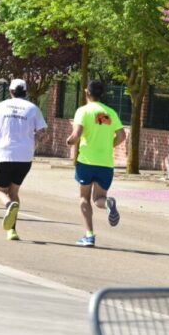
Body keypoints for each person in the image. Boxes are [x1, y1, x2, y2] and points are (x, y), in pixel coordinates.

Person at [65, 80, 127, 247]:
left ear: (87, 92)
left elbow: (76, 134)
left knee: (84, 199)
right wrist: (109, 146)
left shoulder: (83, 111)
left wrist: (69, 141)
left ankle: (89, 235)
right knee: (99, 198)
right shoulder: (110, 112)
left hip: (86, 161)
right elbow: (122, 136)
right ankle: (108, 203)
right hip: (105, 163)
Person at [0, 79, 47, 241]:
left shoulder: (2, 106)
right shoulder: (33, 108)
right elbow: (42, 133)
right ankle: (12, 230)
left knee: (0, 191)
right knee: (14, 192)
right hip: (25, 157)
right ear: (25, 92)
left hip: (5, 154)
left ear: (11, 91)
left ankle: (8, 206)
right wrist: (34, 141)